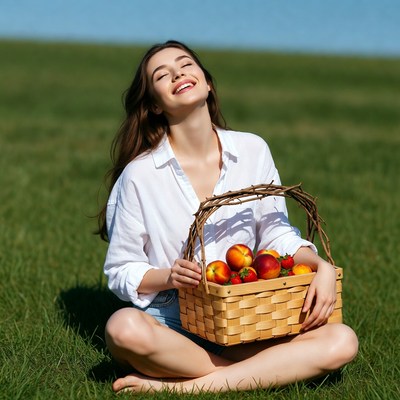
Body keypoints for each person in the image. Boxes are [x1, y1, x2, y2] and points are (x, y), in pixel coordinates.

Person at [97, 40, 358, 394]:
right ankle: (266, 370)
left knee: (343, 340)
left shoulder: (252, 150)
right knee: (122, 329)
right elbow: (121, 268)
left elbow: (276, 234)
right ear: (155, 105)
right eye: (162, 75)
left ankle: (186, 387)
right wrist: (168, 276)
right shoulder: (140, 176)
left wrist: (320, 265)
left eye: (186, 64)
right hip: (176, 319)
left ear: (207, 83)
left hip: (248, 314)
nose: (177, 74)